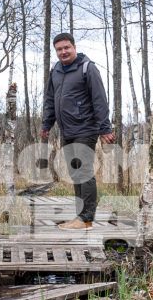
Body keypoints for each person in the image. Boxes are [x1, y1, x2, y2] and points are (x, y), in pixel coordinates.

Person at [39, 33, 115, 228]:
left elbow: (100, 100)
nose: (63, 52)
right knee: (75, 173)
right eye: (59, 49)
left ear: (74, 47)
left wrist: (105, 128)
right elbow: (50, 100)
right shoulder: (55, 70)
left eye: (66, 48)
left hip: (86, 128)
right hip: (67, 130)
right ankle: (80, 216)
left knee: (84, 171)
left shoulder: (87, 69)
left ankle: (86, 217)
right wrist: (46, 124)